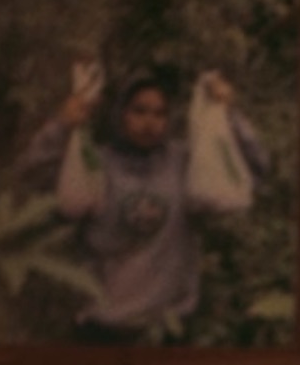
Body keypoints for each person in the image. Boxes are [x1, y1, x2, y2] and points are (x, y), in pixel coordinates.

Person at [16, 69, 268, 344]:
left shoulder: (185, 163)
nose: (150, 122)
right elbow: (32, 177)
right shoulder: (94, 163)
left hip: (168, 326)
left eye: (160, 114)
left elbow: (254, 169)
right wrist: (62, 126)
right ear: (121, 113)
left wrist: (228, 112)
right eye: (139, 111)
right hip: (104, 324)